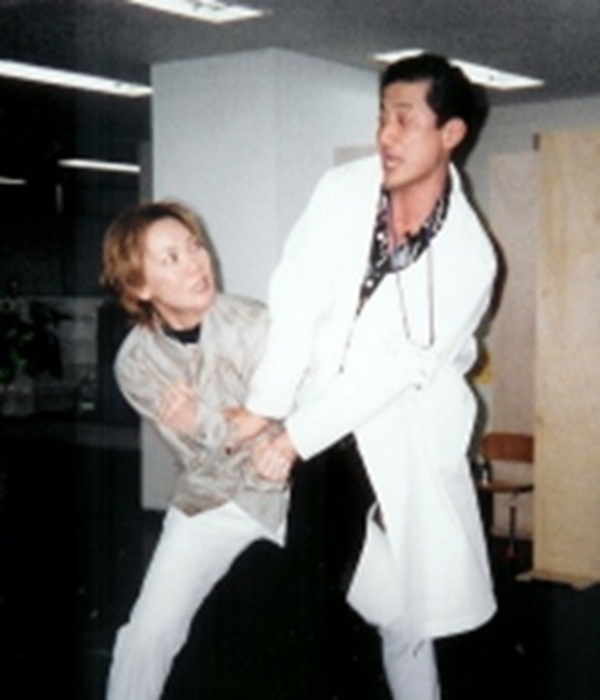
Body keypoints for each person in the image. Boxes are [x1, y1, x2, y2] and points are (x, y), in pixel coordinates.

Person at [227, 53, 498, 699]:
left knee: (395, 610)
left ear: (451, 133)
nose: (386, 136)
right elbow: (296, 298)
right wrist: (268, 403)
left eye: (404, 119)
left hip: (401, 427)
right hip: (325, 429)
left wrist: (294, 437)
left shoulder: (470, 256)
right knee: (365, 605)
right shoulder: (343, 189)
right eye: (382, 117)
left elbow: (396, 368)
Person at [100, 200, 289, 700]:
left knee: (398, 610)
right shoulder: (136, 363)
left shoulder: (257, 324)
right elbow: (202, 454)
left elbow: (292, 421)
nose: (195, 264)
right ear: (140, 286)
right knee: (147, 635)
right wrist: (229, 426)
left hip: (293, 490)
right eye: (171, 258)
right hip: (212, 499)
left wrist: (208, 421)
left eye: (195, 246)